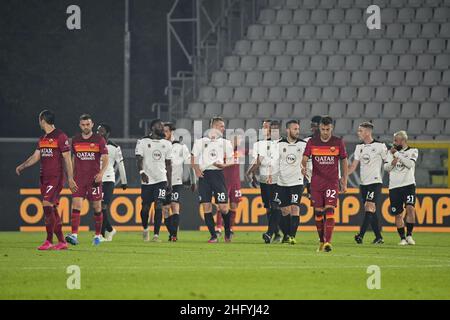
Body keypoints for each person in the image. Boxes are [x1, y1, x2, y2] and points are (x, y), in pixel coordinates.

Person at [16, 110, 77, 250]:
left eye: (39, 120)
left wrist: (71, 179)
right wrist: (22, 166)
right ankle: (62, 242)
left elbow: (67, 159)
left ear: (42, 120)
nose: (39, 122)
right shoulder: (43, 138)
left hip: (55, 177)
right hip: (44, 178)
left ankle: (49, 241)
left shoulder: (60, 136)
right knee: (52, 209)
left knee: (46, 204)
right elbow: (35, 157)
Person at [301, 116, 348, 252]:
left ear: (331, 128)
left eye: (328, 129)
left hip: (331, 182)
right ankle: (321, 241)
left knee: (329, 210)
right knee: (318, 213)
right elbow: (304, 158)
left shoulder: (338, 142)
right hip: (316, 183)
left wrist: (344, 179)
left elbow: (344, 161)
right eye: (323, 129)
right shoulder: (312, 142)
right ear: (319, 128)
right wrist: (303, 166)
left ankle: (328, 242)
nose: (325, 132)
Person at [66, 114, 109, 246]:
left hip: (94, 180)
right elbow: (73, 159)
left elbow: (105, 158)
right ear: (80, 125)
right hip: (79, 179)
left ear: (92, 124)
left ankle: (97, 236)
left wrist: (101, 173)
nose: (85, 127)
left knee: (97, 207)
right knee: (76, 205)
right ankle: (74, 235)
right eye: (83, 125)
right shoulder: (75, 140)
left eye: (88, 124)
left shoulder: (99, 139)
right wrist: (71, 178)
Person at [191, 117, 234, 243]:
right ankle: (213, 236)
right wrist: (197, 170)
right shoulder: (200, 142)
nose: (223, 128)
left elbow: (232, 159)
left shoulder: (225, 143)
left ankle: (227, 232)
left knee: (224, 208)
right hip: (204, 176)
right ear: (214, 127)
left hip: (218, 175)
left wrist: (224, 165)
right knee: (207, 206)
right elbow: (193, 158)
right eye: (221, 126)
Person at [348, 122, 386, 244]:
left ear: (368, 132)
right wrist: (342, 176)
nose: (358, 133)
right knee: (371, 210)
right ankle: (378, 237)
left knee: (369, 207)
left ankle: (361, 235)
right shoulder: (359, 147)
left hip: (375, 182)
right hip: (363, 184)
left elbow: (388, 162)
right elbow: (353, 166)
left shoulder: (380, 146)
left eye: (360, 131)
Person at [270, 120, 307, 245]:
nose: (297, 131)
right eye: (295, 129)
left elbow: (308, 160)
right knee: (284, 210)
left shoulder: (303, 144)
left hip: (297, 181)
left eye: (298, 129)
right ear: (288, 130)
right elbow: (274, 163)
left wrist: (307, 170)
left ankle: (292, 236)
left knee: (295, 207)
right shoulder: (279, 145)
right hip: (282, 182)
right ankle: (286, 235)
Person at [136, 119, 172, 242]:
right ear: (152, 128)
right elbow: (139, 159)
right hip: (147, 180)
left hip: (161, 179)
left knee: (159, 205)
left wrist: (169, 182)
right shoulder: (142, 141)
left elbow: (168, 164)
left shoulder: (167, 144)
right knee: (145, 208)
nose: (162, 128)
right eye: (159, 126)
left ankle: (156, 235)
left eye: (163, 126)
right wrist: (141, 172)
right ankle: (145, 228)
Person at [246, 120, 282, 243]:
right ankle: (276, 233)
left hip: (278, 180)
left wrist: (249, 172)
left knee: (276, 206)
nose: (266, 129)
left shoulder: (280, 143)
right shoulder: (258, 144)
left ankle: (270, 233)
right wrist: (252, 173)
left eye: (268, 127)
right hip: (264, 179)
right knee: (269, 208)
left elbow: (259, 160)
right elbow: (255, 161)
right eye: (264, 127)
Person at [383, 130, 418, 246]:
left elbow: (410, 165)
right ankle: (402, 238)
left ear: (403, 141)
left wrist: (397, 155)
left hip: (408, 185)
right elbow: (386, 168)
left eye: (396, 140)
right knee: (398, 214)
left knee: (410, 209)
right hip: (394, 187)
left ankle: (409, 235)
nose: (394, 143)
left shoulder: (413, 151)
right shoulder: (390, 152)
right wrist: (392, 162)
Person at [162, 122, 194, 241]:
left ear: (171, 132)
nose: (164, 133)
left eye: (166, 131)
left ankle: (174, 235)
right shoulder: (160, 146)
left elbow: (189, 163)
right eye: (163, 131)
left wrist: (193, 180)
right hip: (162, 182)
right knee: (165, 210)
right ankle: (172, 233)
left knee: (174, 206)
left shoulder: (181, 147)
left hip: (176, 182)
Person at [97, 123, 128, 242]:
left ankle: (101, 235)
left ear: (108, 133)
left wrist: (124, 181)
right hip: (96, 179)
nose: (99, 133)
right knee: (98, 207)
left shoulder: (114, 147)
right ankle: (109, 230)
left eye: (102, 131)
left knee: (102, 206)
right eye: (98, 130)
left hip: (108, 179)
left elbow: (121, 164)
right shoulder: (93, 144)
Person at [216, 133, 243, 239]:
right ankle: (218, 227)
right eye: (237, 139)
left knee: (233, 206)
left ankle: (230, 228)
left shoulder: (239, 151)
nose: (239, 141)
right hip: (224, 181)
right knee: (221, 205)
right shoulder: (224, 151)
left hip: (235, 182)